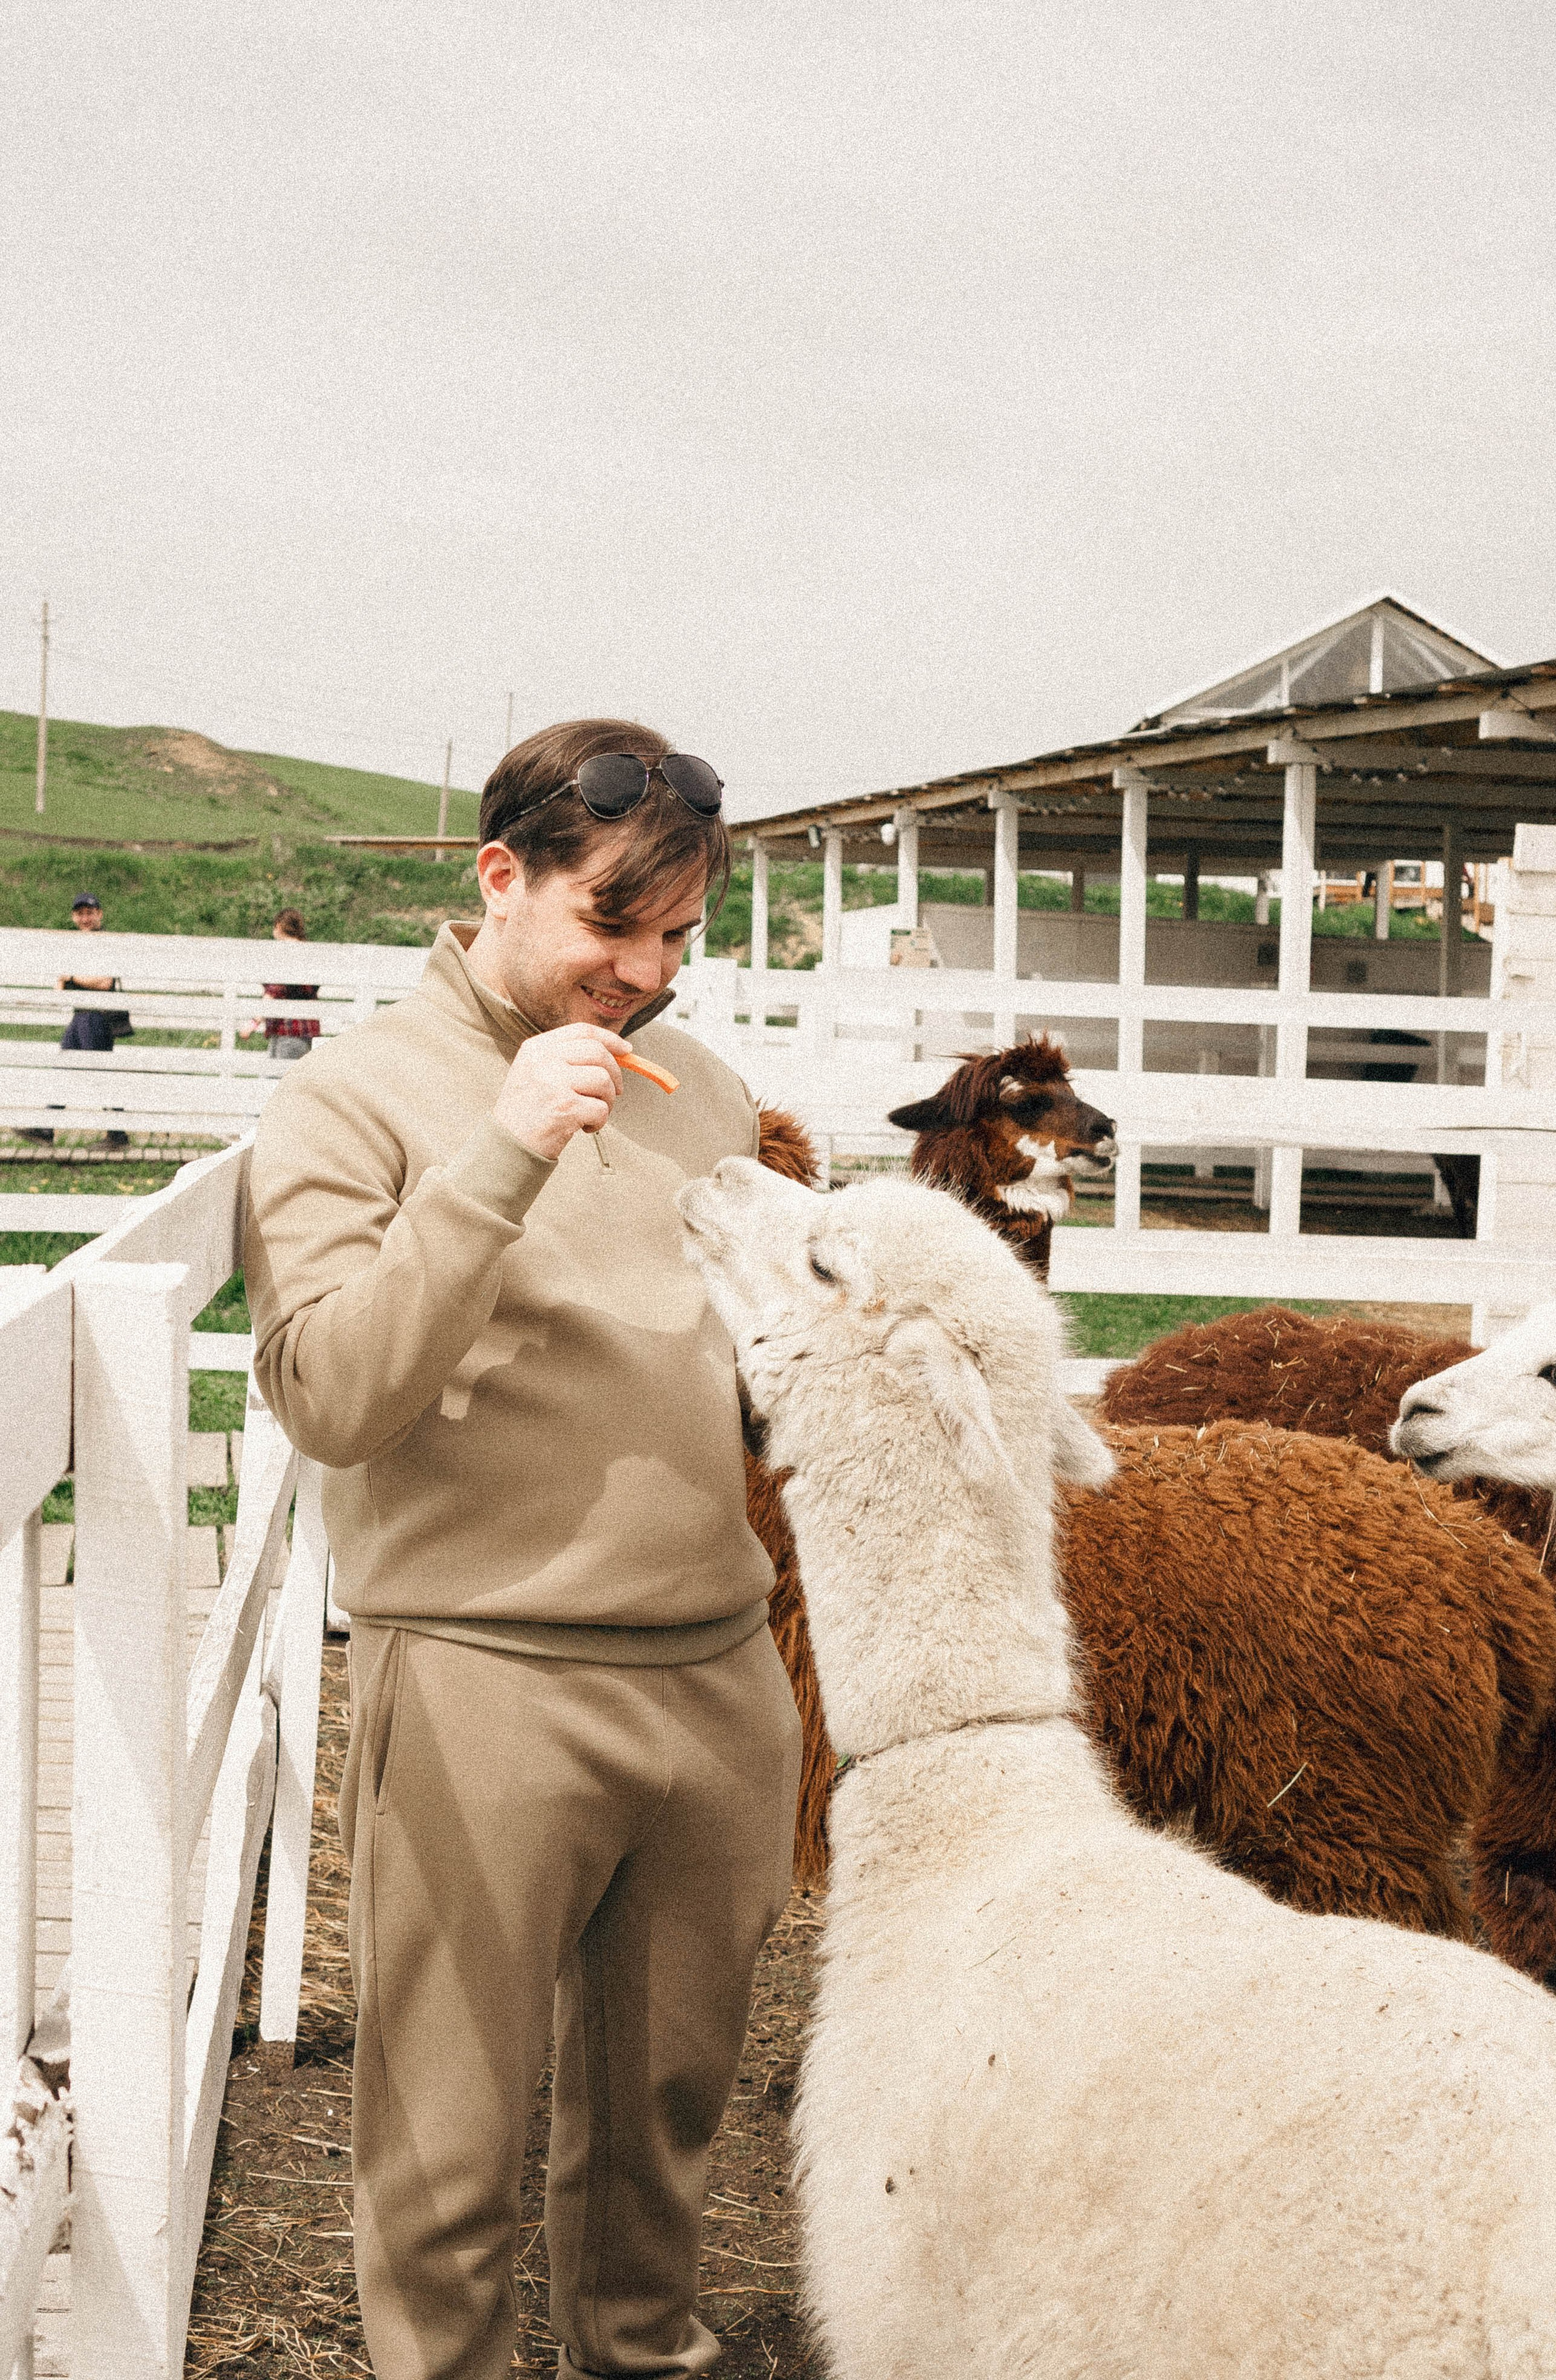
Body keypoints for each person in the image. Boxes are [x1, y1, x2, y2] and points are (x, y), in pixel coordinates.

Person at [244, 718, 801, 2380]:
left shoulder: (706, 1090)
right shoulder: (355, 1097)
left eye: (681, 938)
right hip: (489, 1673)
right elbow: (335, 1395)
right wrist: (497, 1156)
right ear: (502, 877)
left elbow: (753, 1355)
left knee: (668, 2132)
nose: (643, 972)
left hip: (719, 1667)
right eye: (610, 926)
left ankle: (644, 2358)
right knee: (447, 2150)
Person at [22, 892, 131, 1146]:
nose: (85, 918)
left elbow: (104, 982)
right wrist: (69, 978)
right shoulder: (74, 945)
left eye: (90, 913)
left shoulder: (105, 943)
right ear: (74, 917)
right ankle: (46, 1128)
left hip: (97, 1016)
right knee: (64, 1069)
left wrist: (72, 977)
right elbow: (60, 984)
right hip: (81, 1016)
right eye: (80, 914)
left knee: (98, 1074)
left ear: (99, 915)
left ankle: (117, 1134)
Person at [247, 906, 322, 1059]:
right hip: (304, 1030)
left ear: (279, 926)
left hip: (288, 1029)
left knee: (278, 1078)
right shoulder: (310, 953)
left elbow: (275, 990)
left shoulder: (287, 954)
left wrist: (253, 1024)